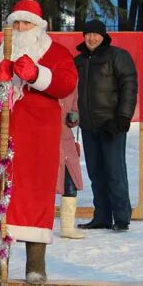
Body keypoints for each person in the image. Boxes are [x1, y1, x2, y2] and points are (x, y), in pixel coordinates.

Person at [0, 0, 78, 283]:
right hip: (1, 135)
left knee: (34, 195)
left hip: (37, 138)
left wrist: (38, 74)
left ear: (38, 26)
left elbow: (67, 83)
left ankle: (35, 265)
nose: (21, 27)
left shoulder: (55, 53)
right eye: (16, 22)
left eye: (26, 23)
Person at [75, 19, 138, 232]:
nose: (91, 38)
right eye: (88, 34)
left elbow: (129, 86)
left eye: (96, 34)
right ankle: (101, 216)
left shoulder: (118, 56)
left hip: (112, 124)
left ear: (103, 36)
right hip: (88, 124)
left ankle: (121, 217)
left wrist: (123, 117)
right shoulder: (80, 61)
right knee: (95, 173)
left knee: (114, 171)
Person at [57, 89, 85, 239]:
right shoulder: (46, 76)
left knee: (71, 181)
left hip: (66, 139)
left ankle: (67, 227)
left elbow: (75, 108)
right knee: (44, 184)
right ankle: (38, 224)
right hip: (46, 139)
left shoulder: (73, 83)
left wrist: (74, 118)